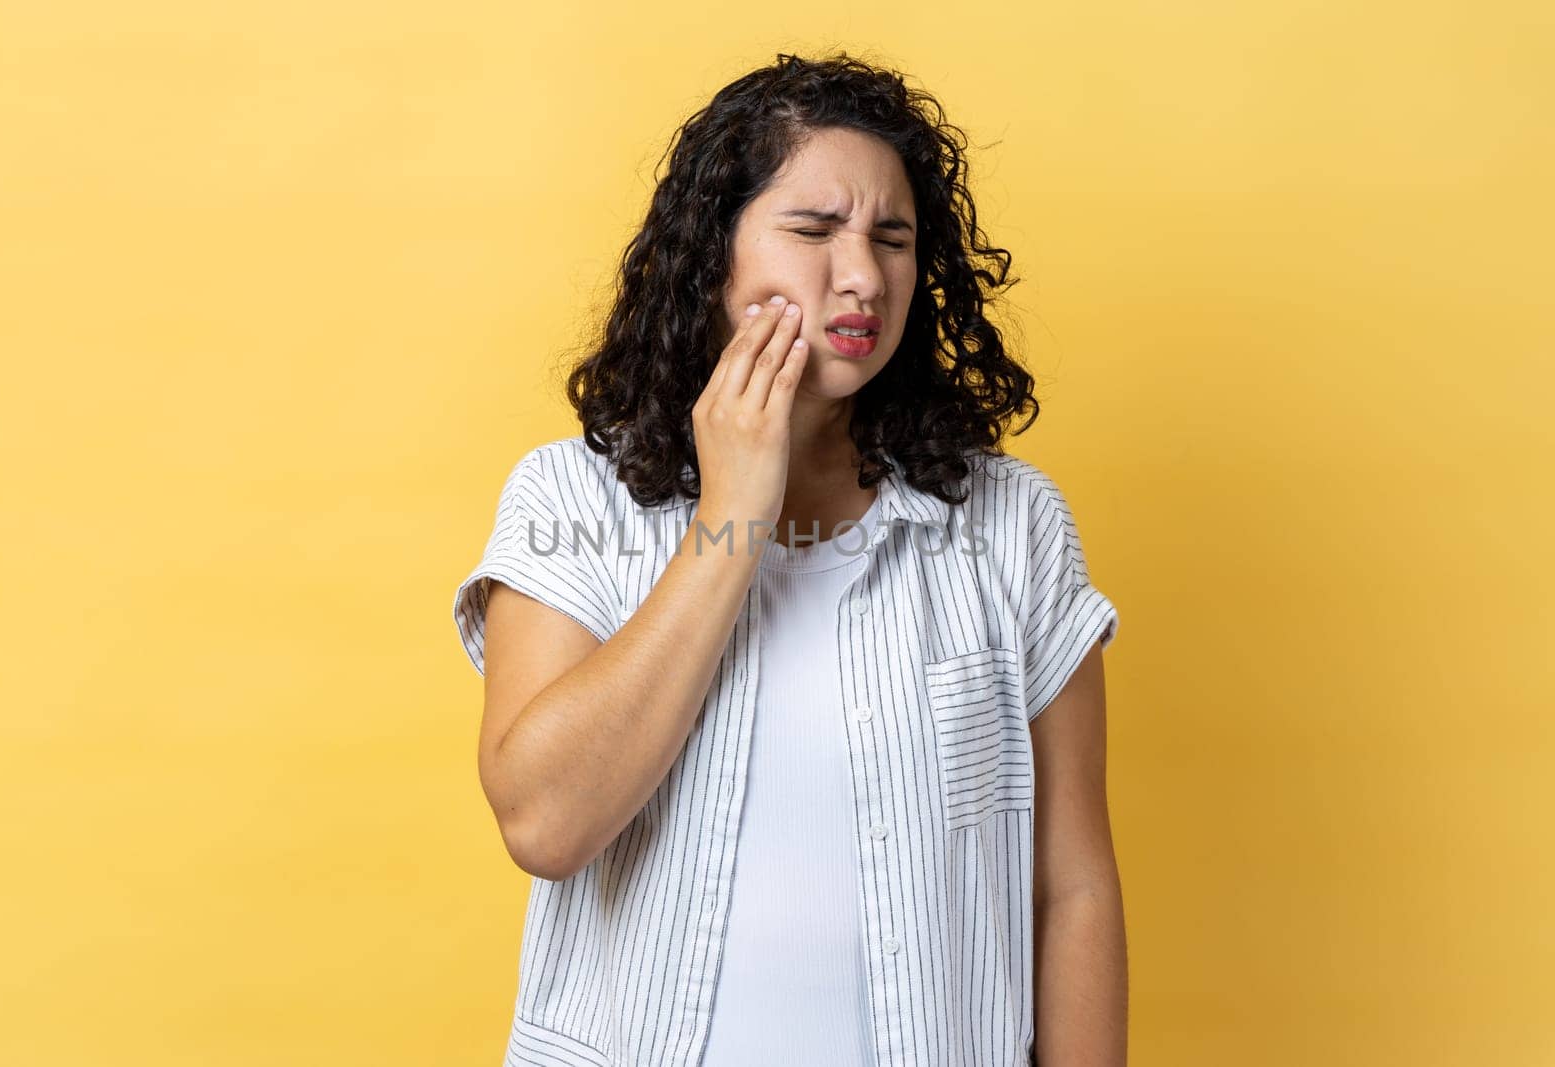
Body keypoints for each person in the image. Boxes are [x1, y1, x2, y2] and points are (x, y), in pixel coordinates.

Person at [453, 51, 1127, 1067]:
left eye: (891, 239)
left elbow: (1069, 885)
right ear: (710, 259)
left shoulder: (1009, 525)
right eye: (813, 230)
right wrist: (732, 516)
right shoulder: (572, 500)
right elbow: (546, 823)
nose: (860, 275)